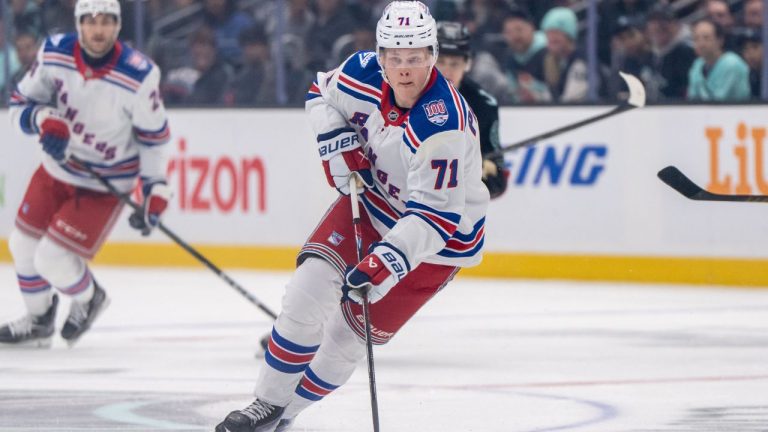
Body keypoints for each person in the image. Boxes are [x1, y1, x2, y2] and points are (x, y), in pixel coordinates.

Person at [216, 2, 489, 431]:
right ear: (380, 55)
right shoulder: (361, 71)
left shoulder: (443, 123)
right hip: (373, 201)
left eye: (415, 57)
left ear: (432, 55)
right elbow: (319, 93)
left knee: (345, 338)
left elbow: (436, 217)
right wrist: (336, 139)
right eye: (394, 57)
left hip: (437, 244)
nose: (404, 69)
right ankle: (266, 404)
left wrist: (387, 261)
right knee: (305, 294)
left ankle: (286, 413)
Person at [0, 0, 172, 347]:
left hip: (103, 184)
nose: (98, 29)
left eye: (107, 21)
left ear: (118, 25)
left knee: (52, 258)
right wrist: (44, 119)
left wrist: (156, 190)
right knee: (22, 244)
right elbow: (19, 103)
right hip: (57, 169)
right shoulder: (54, 53)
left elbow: (153, 139)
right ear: (78, 23)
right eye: (91, 20)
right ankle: (38, 320)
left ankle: (90, 297)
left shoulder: (139, 75)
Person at [436, 21, 507, 199]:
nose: (447, 70)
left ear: (467, 63)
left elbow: (498, 181)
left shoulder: (484, 105)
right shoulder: (407, 93)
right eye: (441, 62)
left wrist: (482, 174)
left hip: (456, 204)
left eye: (455, 63)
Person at [687, 18, 750, 101]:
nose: (701, 43)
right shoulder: (697, 64)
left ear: (720, 40)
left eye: (706, 38)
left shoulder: (732, 64)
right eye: (696, 39)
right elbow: (692, 97)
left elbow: (720, 99)